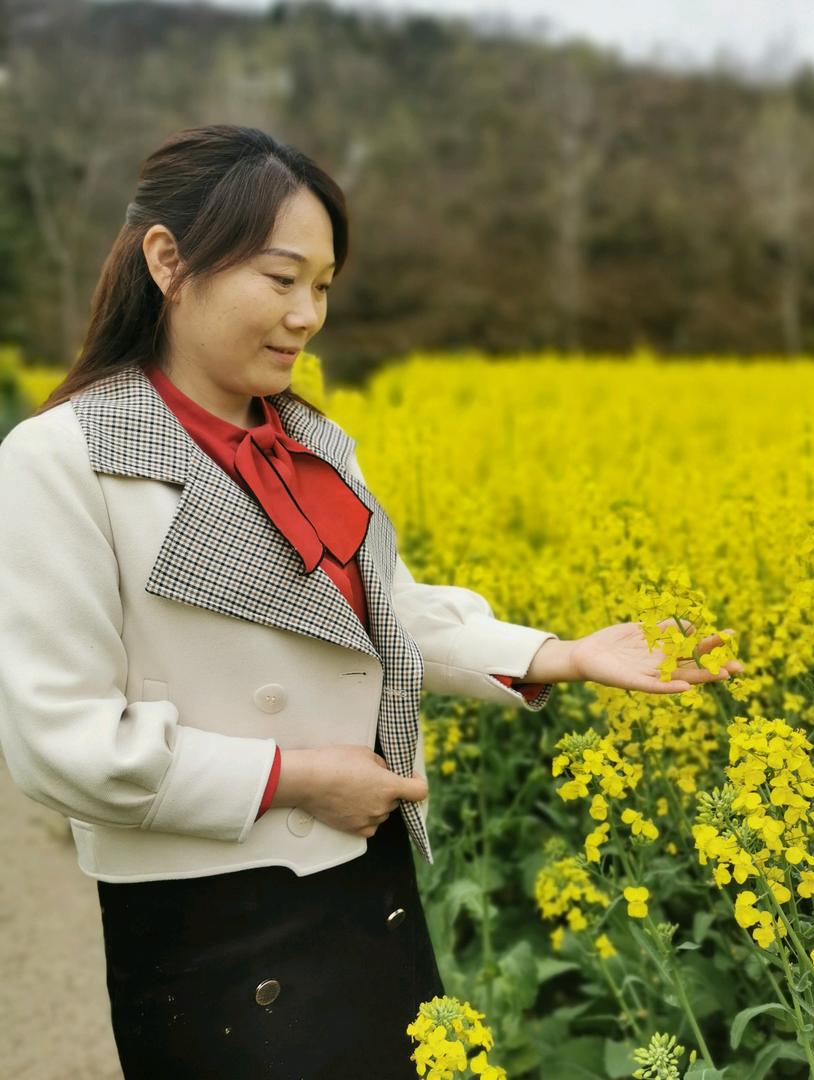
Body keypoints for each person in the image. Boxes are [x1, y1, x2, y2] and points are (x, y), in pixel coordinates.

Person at [0, 124, 743, 1078]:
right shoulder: (63, 460)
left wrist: (560, 652)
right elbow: (60, 742)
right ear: (168, 261)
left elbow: (380, 614)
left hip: (366, 877)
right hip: (211, 910)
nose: (306, 315)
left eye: (323, 286)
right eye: (280, 279)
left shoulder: (310, 442)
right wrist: (300, 777)